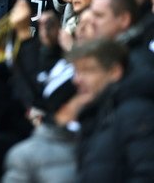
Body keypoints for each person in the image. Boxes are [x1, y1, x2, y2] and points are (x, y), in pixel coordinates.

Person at [66, 39, 154, 182]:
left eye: (88, 70)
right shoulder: (98, 114)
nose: (77, 80)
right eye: (76, 72)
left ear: (114, 71)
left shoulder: (135, 113)